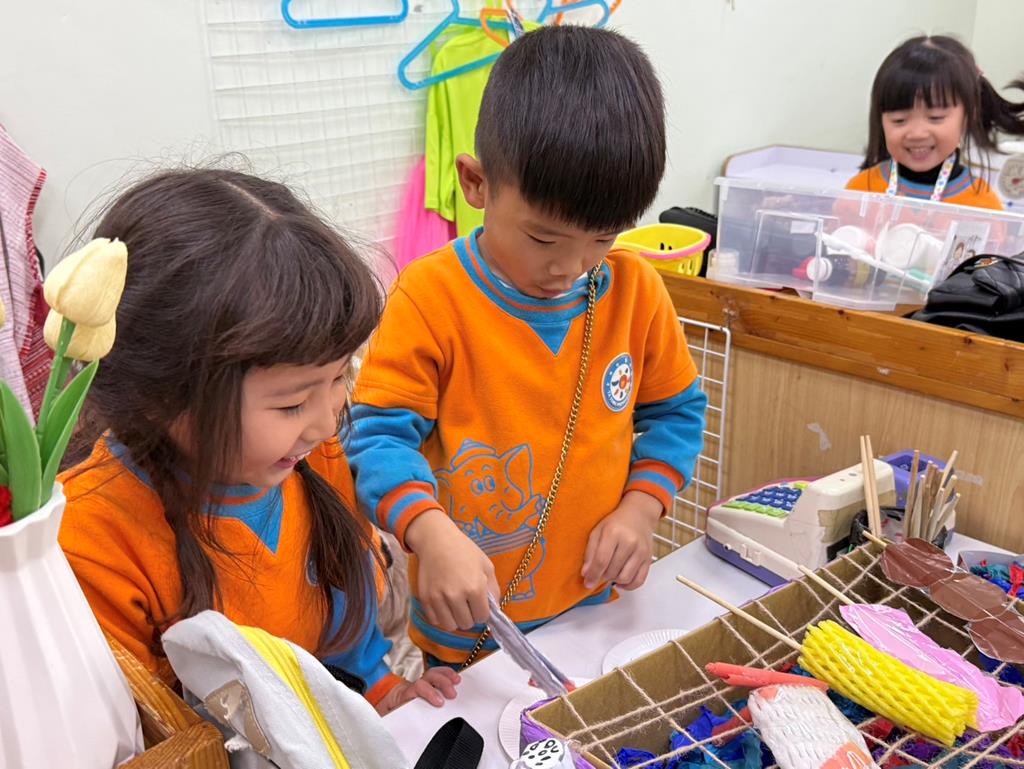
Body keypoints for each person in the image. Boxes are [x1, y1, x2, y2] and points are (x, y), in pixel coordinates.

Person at [346, 26, 707, 668]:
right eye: (543, 239)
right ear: (476, 183)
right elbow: (376, 438)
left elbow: (677, 413)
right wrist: (428, 532)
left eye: (602, 239)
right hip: (469, 627)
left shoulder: (635, 292)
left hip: (596, 610)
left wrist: (641, 508)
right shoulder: (431, 297)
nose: (570, 266)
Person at [58, 168, 458, 714]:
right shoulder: (92, 539)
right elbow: (150, 730)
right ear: (162, 397)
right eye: (291, 403)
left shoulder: (311, 455)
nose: (326, 425)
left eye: (340, 377)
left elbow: (346, 614)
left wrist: (381, 691)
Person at [847, 35, 1024, 210]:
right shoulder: (860, 190)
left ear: (969, 115)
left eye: (935, 117)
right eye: (899, 120)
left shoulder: (982, 205)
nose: (917, 134)